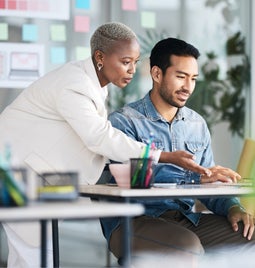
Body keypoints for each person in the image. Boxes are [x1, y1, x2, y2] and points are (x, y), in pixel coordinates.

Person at [0, 22, 211, 268]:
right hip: (15, 172)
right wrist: (164, 156)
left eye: (135, 61)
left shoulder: (92, 85)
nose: (132, 70)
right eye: (125, 62)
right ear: (100, 57)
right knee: (34, 256)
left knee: (34, 254)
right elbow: (99, 137)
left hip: (29, 171)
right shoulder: (75, 84)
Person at [100, 37, 255, 266]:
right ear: (156, 74)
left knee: (249, 233)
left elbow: (209, 183)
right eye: (181, 77)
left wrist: (233, 207)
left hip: (185, 219)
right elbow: (132, 183)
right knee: (186, 248)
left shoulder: (197, 124)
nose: (188, 87)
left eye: (193, 79)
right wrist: (195, 177)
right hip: (132, 221)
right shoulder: (124, 122)